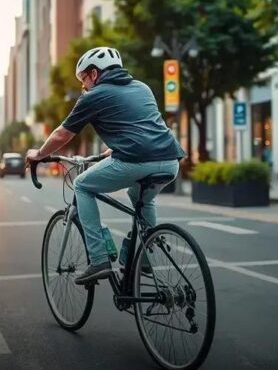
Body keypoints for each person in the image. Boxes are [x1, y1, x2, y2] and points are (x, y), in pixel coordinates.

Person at [25, 47, 185, 285]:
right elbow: (147, 126)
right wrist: (116, 146)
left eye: (83, 79)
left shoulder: (94, 95)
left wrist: (38, 154)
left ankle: (99, 260)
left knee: (82, 185)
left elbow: (62, 135)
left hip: (135, 161)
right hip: (171, 161)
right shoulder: (142, 88)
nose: (83, 86)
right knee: (141, 197)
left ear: (94, 73)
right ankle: (143, 256)